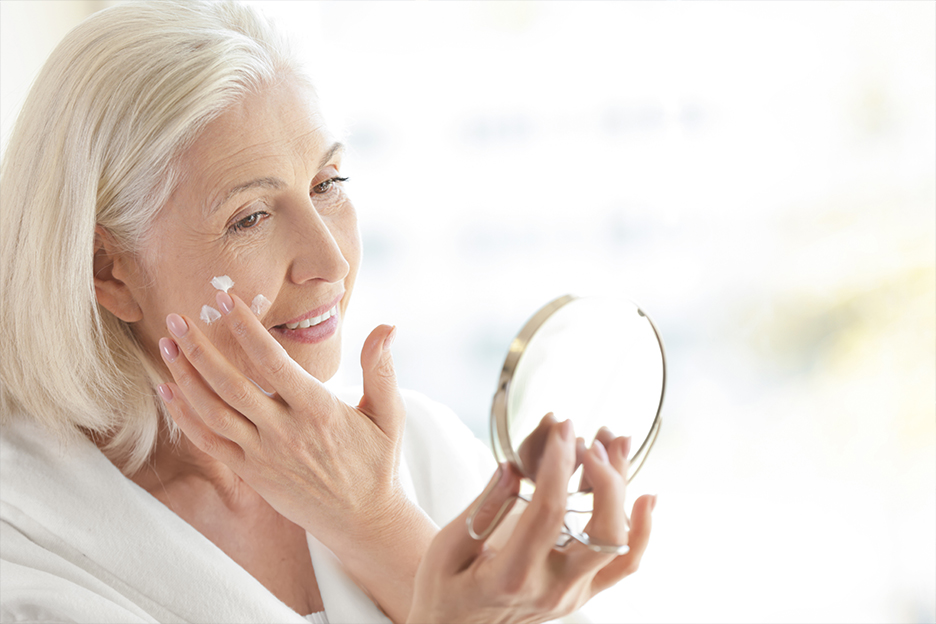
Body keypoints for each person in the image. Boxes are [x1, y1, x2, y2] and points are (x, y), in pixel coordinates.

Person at [0, 2, 655, 622]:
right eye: (250, 216)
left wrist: (379, 523)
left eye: (328, 185)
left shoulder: (421, 448)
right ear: (107, 270)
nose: (331, 263)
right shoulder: (24, 547)